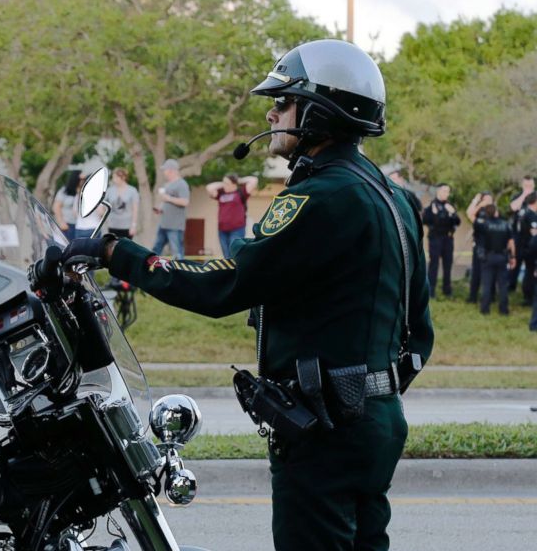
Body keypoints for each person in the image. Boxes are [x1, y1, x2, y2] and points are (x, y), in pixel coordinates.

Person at [64, 39, 434, 550]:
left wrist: (114, 252)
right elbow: (420, 330)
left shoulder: (321, 198)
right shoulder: (394, 197)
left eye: (283, 102)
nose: (272, 111)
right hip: (377, 422)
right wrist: (371, 392)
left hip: (326, 430)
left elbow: (225, 283)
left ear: (318, 112)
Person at [206, 173, 259, 257]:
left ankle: (236, 270)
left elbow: (254, 180)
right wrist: (223, 183)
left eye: (227, 183)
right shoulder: (221, 194)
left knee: (234, 253)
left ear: (234, 183)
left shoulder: (241, 192)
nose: (224, 186)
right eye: (224, 183)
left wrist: (239, 180)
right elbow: (209, 187)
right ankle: (229, 270)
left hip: (237, 229)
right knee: (226, 256)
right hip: (222, 230)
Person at [421, 184, 460, 298]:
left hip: (448, 238)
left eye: (448, 191)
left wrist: (452, 213)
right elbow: (425, 221)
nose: (446, 193)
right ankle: (431, 291)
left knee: (447, 264)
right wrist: (434, 214)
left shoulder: (449, 205)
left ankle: (447, 290)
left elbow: (457, 222)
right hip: (435, 238)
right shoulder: (431, 205)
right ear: (438, 191)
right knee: (434, 264)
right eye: (444, 191)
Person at [475, 204, 515, 316]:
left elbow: (477, 234)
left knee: (486, 284)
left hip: (488, 257)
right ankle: (504, 309)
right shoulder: (505, 224)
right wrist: (513, 257)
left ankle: (485, 309)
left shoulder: (484, 225)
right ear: (496, 212)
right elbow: (511, 243)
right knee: (503, 285)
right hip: (502, 257)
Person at [152, 159, 190, 258]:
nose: (164, 173)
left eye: (165, 170)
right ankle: (152, 270)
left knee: (177, 252)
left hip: (175, 226)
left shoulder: (182, 184)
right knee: (156, 249)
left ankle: (180, 272)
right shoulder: (167, 184)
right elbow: (166, 202)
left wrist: (168, 198)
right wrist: (160, 209)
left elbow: (185, 202)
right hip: (164, 223)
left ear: (171, 170)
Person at [466, 192, 495, 304]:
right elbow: (470, 214)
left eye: (489, 199)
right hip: (479, 246)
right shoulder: (479, 211)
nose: (487, 201)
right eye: (485, 199)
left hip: (491, 247)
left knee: (490, 273)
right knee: (476, 272)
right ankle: (473, 297)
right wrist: (477, 202)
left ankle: (491, 296)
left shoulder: (494, 212)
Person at [508, 177, 535, 294]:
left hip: (532, 236)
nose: (528, 188)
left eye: (530, 186)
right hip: (518, 235)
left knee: (531, 264)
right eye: (526, 185)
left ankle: (528, 291)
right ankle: (511, 286)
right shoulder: (518, 196)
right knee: (515, 261)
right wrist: (524, 194)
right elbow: (513, 207)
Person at [106, 168, 139, 239]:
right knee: (113, 248)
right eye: (113, 177)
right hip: (113, 226)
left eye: (115, 177)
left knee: (126, 249)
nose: (113, 179)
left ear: (123, 177)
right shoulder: (110, 190)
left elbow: (135, 209)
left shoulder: (132, 190)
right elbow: (103, 205)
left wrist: (133, 226)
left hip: (126, 227)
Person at [53, 170, 81, 239]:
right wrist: (61, 222)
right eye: (81, 179)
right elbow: (56, 207)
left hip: (80, 225)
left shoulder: (82, 191)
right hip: (67, 224)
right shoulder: (64, 191)